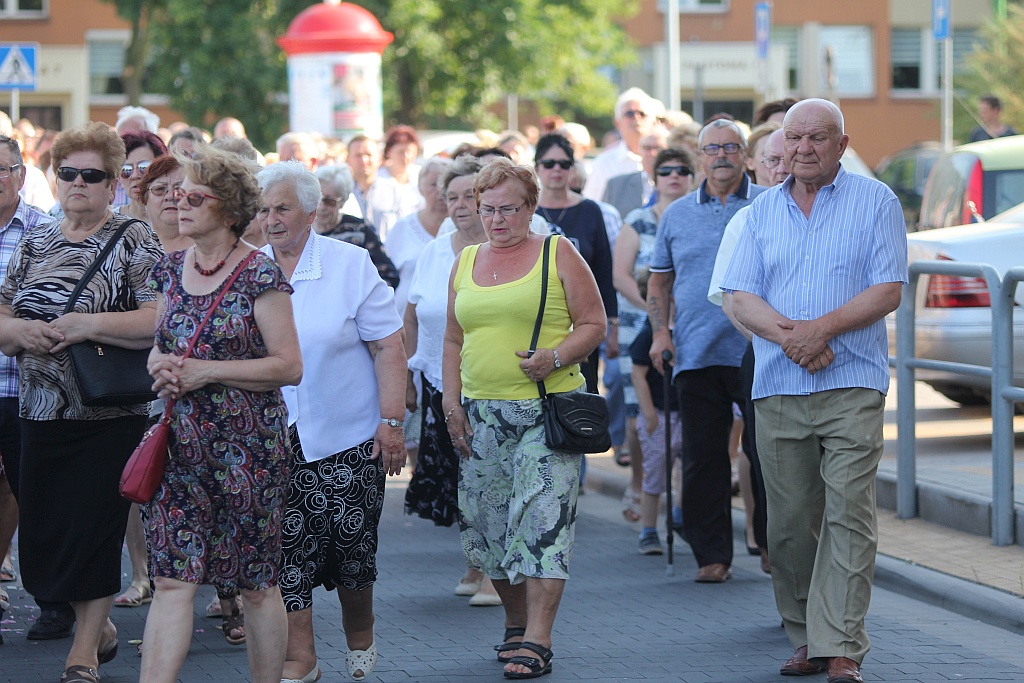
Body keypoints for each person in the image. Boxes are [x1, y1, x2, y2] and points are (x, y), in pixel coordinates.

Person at [723, 98, 907, 683]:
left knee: (849, 513)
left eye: (816, 138)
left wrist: (820, 331)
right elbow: (740, 297)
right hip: (779, 384)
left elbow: (887, 290)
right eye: (793, 138)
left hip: (853, 380)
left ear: (841, 145)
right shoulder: (757, 214)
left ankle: (843, 643)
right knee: (790, 521)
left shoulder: (876, 202)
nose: (802, 148)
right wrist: (794, 339)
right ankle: (805, 633)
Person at [0, 121, 163, 683]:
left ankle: (83, 656)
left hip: (108, 416)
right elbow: (1, 310)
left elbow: (156, 317)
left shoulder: (132, 239)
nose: (78, 184)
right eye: (68, 173)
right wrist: (19, 334)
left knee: (94, 532)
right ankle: (102, 629)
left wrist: (84, 323)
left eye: (92, 176)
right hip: (38, 411)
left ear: (113, 183)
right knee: (44, 544)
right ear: (54, 176)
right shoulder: (37, 239)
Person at [139, 146, 303, 683]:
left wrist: (206, 371)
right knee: (170, 580)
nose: (178, 205)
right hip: (179, 446)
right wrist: (161, 367)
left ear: (228, 210)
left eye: (193, 197)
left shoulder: (260, 274)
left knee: (256, 585)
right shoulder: (170, 267)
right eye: (175, 196)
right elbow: (160, 346)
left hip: (249, 450)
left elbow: (288, 366)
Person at [442, 157, 606, 678]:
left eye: (508, 209)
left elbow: (594, 322)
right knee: (489, 530)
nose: (496, 219)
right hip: (480, 415)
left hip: (545, 412)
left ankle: (538, 638)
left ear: (530, 208)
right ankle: (515, 625)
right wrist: (451, 404)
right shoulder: (466, 260)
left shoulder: (558, 252)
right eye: (486, 208)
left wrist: (555, 357)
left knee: (540, 522)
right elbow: (452, 338)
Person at [254, 161, 406, 683]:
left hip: (348, 436)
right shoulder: (250, 269)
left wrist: (392, 420)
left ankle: (360, 641)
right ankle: (302, 657)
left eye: (282, 209)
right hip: (274, 439)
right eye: (264, 209)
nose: (270, 219)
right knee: (286, 553)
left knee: (353, 552)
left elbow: (387, 344)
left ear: (311, 212)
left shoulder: (350, 263)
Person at [646, 119, 767, 584]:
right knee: (703, 458)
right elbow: (660, 279)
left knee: (764, 453)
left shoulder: (767, 205)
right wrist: (661, 334)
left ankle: (773, 546)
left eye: (731, 147)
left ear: (745, 155)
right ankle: (711, 554)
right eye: (711, 148)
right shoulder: (676, 214)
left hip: (759, 350)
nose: (721, 156)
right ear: (699, 157)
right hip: (696, 352)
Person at [403, 155, 501, 608]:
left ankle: (492, 572)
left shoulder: (507, 250)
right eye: (452, 197)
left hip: (492, 382)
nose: (460, 205)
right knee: (463, 478)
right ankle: (476, 559)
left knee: (489, 475)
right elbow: (410, 314)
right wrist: (405, 375)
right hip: (440, 383)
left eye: (469, 195)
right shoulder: (433, 252)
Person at [708, 127, 792, 575]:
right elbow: (731, 300)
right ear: (754, 164)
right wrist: (783, 343)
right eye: (772, 159)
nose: (782, 167)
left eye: (788, 156)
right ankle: (778, 562)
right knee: (770, 467)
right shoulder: (748, 219)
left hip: (830, 361)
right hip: (765, 358)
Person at [0, 133, 65, 639]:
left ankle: (53, 601)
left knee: (37, 498)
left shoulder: (45, 234)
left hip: (29, 389)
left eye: (4, 169)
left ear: (22, 176)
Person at [613, 146, 696, 535]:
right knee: (639, 412)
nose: (674, 176)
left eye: (682, 170)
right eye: (666, 171)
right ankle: (641, 485)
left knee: (683, 424)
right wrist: (655, 312)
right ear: (655, 177)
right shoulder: (639, 220)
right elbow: (621, 274)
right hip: (640, 321)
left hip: (686, 323)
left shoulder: (698, 216)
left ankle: (678, 500)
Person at [534, 133, 617, 393]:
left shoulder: (590, 210)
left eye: (564, 163)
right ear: (537, 168)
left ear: (573, 168)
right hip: (539, 318)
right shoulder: (527, 211)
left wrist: (613, 325)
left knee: (584, 397)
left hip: (583, 321)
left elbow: (604, 271)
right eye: (549, 164)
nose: (556, 170)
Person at [313, 165, 400, 290]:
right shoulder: (301, 230)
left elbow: (389, 275)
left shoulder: (361, 230)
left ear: (342, 201)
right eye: (317, 199)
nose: (321, 207)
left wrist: (357, 298)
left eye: (329, 201)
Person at [386, 156, 452, 317]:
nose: (441, 191)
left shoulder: (465, 228)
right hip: (405, 318)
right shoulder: (403, 227)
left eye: (447, 184)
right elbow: (386, 275)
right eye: (434, 184)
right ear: (421, 187)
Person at [583, 88, 665, 202]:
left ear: (654, 121)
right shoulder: (603, 164)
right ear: (617, 122)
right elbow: (592, 205)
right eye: (629, 114)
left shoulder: (667, 159)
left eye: (642, 114)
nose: (636, 118)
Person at [346, 135, 419, 242]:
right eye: (358, 155)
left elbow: (406, 229)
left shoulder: (395, 191)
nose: (364, 159)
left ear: (379, 159)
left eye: (368, 154)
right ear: (348, 159)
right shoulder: (340, 193)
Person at [602, 128, 668, 219]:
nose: (652, 153)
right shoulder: (616, 185)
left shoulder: (678, 183)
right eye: (647, 148)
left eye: (658, 148)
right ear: (639, 151)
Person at [118, 130, 168, 219]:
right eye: (126, 169)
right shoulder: (109, 223)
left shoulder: (175, 219)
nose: (135, 175)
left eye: (144, 167)